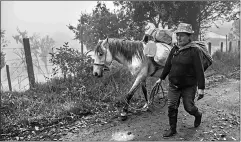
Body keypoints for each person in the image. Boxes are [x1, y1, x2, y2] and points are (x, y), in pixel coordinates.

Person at [156, 23, 205, 137]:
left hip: (188, 86)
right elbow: (168, 64)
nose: (179, 38)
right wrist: (161, 78)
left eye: (182, 35)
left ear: (189, 37)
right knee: (171, 107)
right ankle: (172, 129)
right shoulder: (175, 48)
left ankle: (198, 115)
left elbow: (199, 70)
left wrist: (201, 88)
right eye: (178, 35)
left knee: (189, 107)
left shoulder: (194, 50)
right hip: (174, 85)